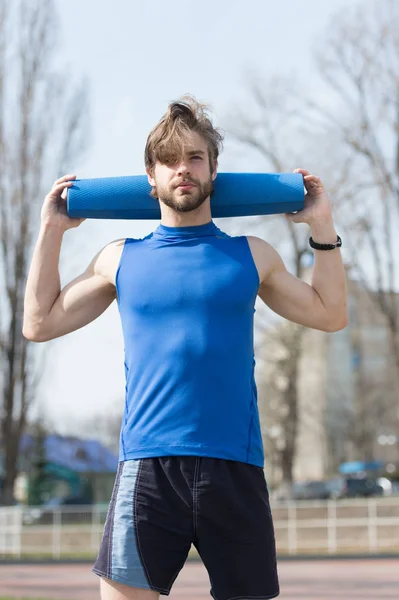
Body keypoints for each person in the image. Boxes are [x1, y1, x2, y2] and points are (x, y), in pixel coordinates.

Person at [23, 96, 348, 600]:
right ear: (150, 177)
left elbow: (330, 314)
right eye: (170, 160)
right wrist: (51, 231)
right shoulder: (119, 259)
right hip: (149, 467)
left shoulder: (251, 256)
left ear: (213, 171)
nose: (184, 169)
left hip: (235, 467)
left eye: (196, 157)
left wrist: (322, 227)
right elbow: (38, 323)